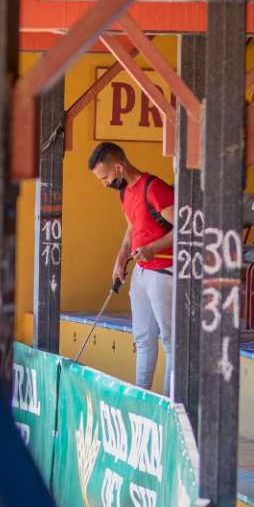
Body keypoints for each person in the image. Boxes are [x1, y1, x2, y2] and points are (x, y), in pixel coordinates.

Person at [89, 141, 177, 395]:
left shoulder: (155, 188)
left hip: (163, 271)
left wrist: (152, 248)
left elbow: (187, 228)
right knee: (143, 339)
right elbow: (132, 228)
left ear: (119, 166)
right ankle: (142, 397)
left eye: (105, 177)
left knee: (171, 342)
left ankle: (171, 406)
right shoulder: (125, 193)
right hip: (140, 273)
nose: (104, 183)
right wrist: (120, 257)